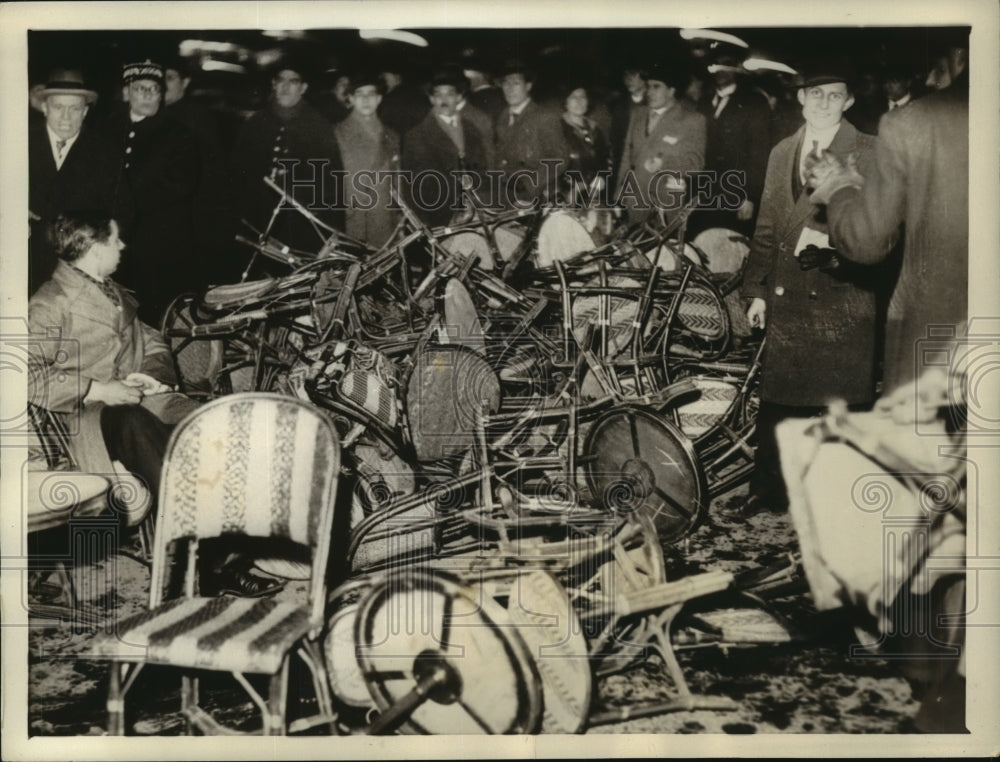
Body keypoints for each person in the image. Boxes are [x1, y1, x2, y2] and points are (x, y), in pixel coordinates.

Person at [28, 211, 283, 598]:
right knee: (134, 424)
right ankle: (214, 561)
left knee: (215, 422)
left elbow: (156, 341)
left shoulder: (112, 292)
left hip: (141, 401)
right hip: (88, 419)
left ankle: (228, 542)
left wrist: (149, 372)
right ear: (92, 247)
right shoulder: (50, 304)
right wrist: (96, 388)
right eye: (115, 240)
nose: (122, 246)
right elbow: (24, 375)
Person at [729, 67, 880, 520]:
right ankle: (769, 489)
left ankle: (848, 498)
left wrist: (839, 251)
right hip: (788, 290)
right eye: (816, 94)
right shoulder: (782, 152)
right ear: (801, 98)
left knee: (841, 400)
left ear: (848, 102)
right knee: (780, 394)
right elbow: (769, 225)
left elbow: (879, 228)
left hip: (842, 289)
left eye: (834, 96)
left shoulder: (869, 152)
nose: (823, 103)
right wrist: (755, 290)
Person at [102, 60, 200, 324]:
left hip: (157, 244)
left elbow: (177, 186)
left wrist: (125, 212)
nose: (147, 95)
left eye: (153, 89)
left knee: (151, 314)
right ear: (127, 93)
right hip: (109, 241)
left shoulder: (178, 135)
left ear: (162, 95)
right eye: (139, 88)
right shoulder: (105, 130)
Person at [230, 55, 344, 260]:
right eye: (281, 80)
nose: (286, 87)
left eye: (293, 81)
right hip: (259, 223)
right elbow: (238, 178)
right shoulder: (255, 124)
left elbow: (330, 185)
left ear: (304, 87)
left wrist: (330, 233)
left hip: (302, 227)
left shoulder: (318, 127)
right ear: (273, 84)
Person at [29, 69, 128, 295]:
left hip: (76, 272)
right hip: (24, 263)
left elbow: (123, 214)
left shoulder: (105, 154)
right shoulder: (17, 142)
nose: (66, 117)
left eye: (74, 109)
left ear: (85, 112)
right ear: (44, 107)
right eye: (58, 107)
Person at [614, 62, 706, 227]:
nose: (649, 92)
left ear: (671, 91)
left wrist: (664, 164)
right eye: (648, 86)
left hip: (666, 203)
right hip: (634, 199)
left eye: (656, 87)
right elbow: (626, 157)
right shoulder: (638, 114)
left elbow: (695, 162)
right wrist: (618, 196)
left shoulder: (692, 120)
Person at [692, 56, 771, 237]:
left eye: (726, 65)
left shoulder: (754, 102)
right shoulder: (703, 102)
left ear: (737, 69)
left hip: (735, 190)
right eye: (716, 65)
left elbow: (760, 153)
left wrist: (750, 197)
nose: (720, 70)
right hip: (704, 191)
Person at [402, 69, 490, 228]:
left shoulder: (471, 130)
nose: (444, 99)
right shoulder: (416, 135)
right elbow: (411, 186)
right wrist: (423, 223)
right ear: (431, 99)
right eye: (438, 95)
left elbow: (481, 171)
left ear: (459, 97)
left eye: (449, 94)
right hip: (437, 216)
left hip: (473, 215)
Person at [334, 73, 401, 248]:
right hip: (352, 217)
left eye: (371, 94)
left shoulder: (392, 136)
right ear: (350, 99)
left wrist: (399, 216)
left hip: (383, 218)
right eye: (359, 94)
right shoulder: (337, 133)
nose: (365, 100)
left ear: (379, 99)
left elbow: (397, 182)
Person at [493, 60, 564, 208]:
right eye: (506, 83)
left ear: (528, 86)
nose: (509, 88)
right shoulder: (504, 116)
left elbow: (560, 158)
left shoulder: (544, 116)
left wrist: (529, 184)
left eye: (516, 83)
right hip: (506, 191)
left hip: (534, 195)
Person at [557, 83, 611, 202]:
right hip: (568, 195)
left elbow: (604, 159)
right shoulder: (557, 129)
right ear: (566, 102)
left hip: (594, 193)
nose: (579, 101)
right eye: (573, 97)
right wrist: (571, 188)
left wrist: (600, 178)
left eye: (582, 97)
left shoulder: (595, 128)